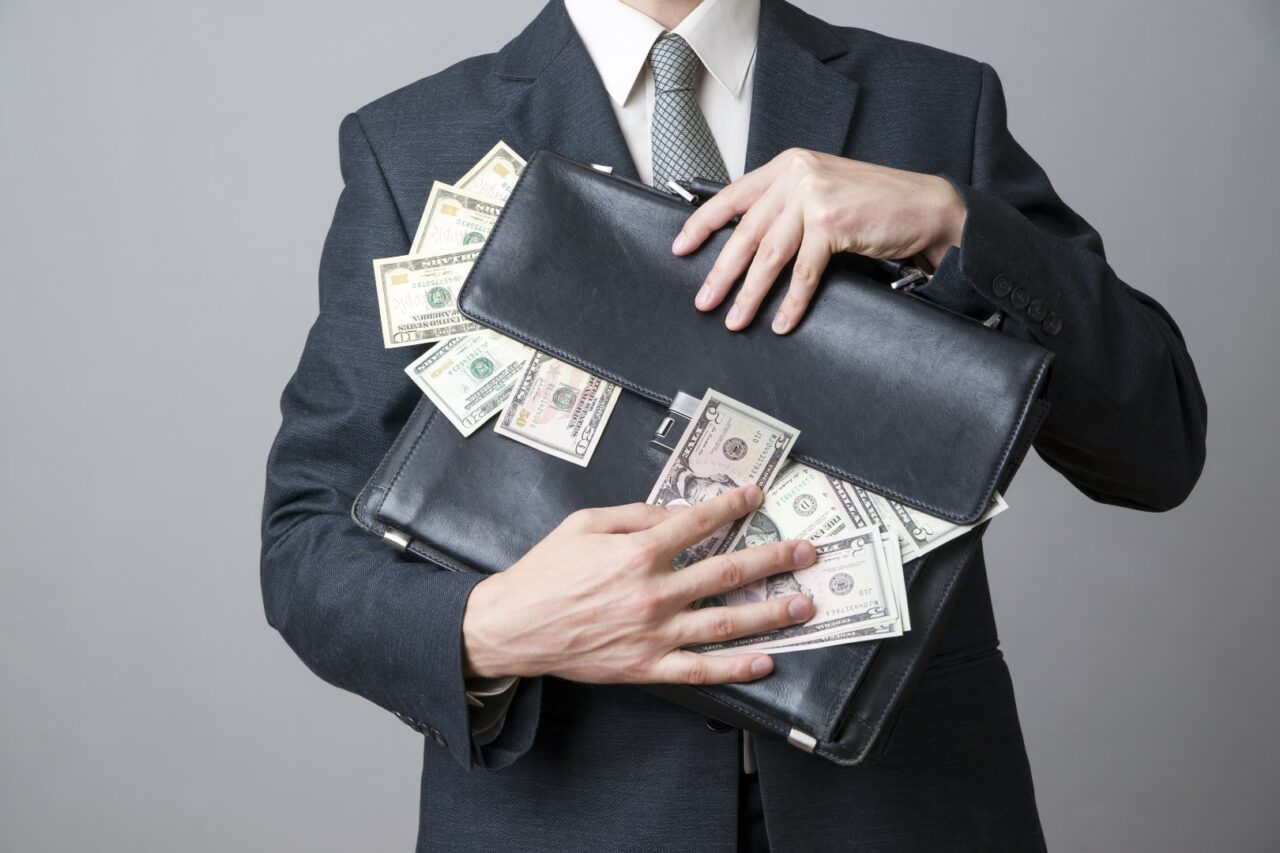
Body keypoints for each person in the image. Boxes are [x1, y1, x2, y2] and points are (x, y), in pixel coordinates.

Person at [259, 0, 1208, 850]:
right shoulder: (414, 141)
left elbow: (1157, 444)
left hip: (906, 810)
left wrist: (954, 220)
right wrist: (497, 627)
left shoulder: (934, 104)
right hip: (566, 816)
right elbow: (306, 542)